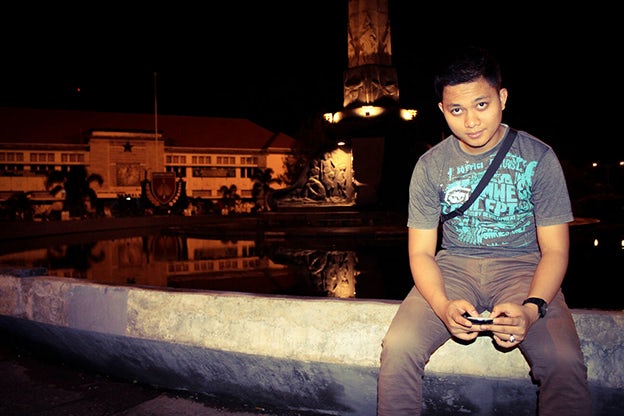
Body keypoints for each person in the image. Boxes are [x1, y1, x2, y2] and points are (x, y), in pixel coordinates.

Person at [377, 45, 591, 415]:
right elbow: (421, 252)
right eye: (457, 110)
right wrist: (442, 306)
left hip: (523, 267)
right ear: (442, 110)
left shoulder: (538, 157)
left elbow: (556, 250)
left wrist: (530, 309)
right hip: (454, 268)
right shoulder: (430, 166)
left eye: (481, 104)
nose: (471, 121)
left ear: (502, 98)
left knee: (564, 362)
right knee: (398, 347)